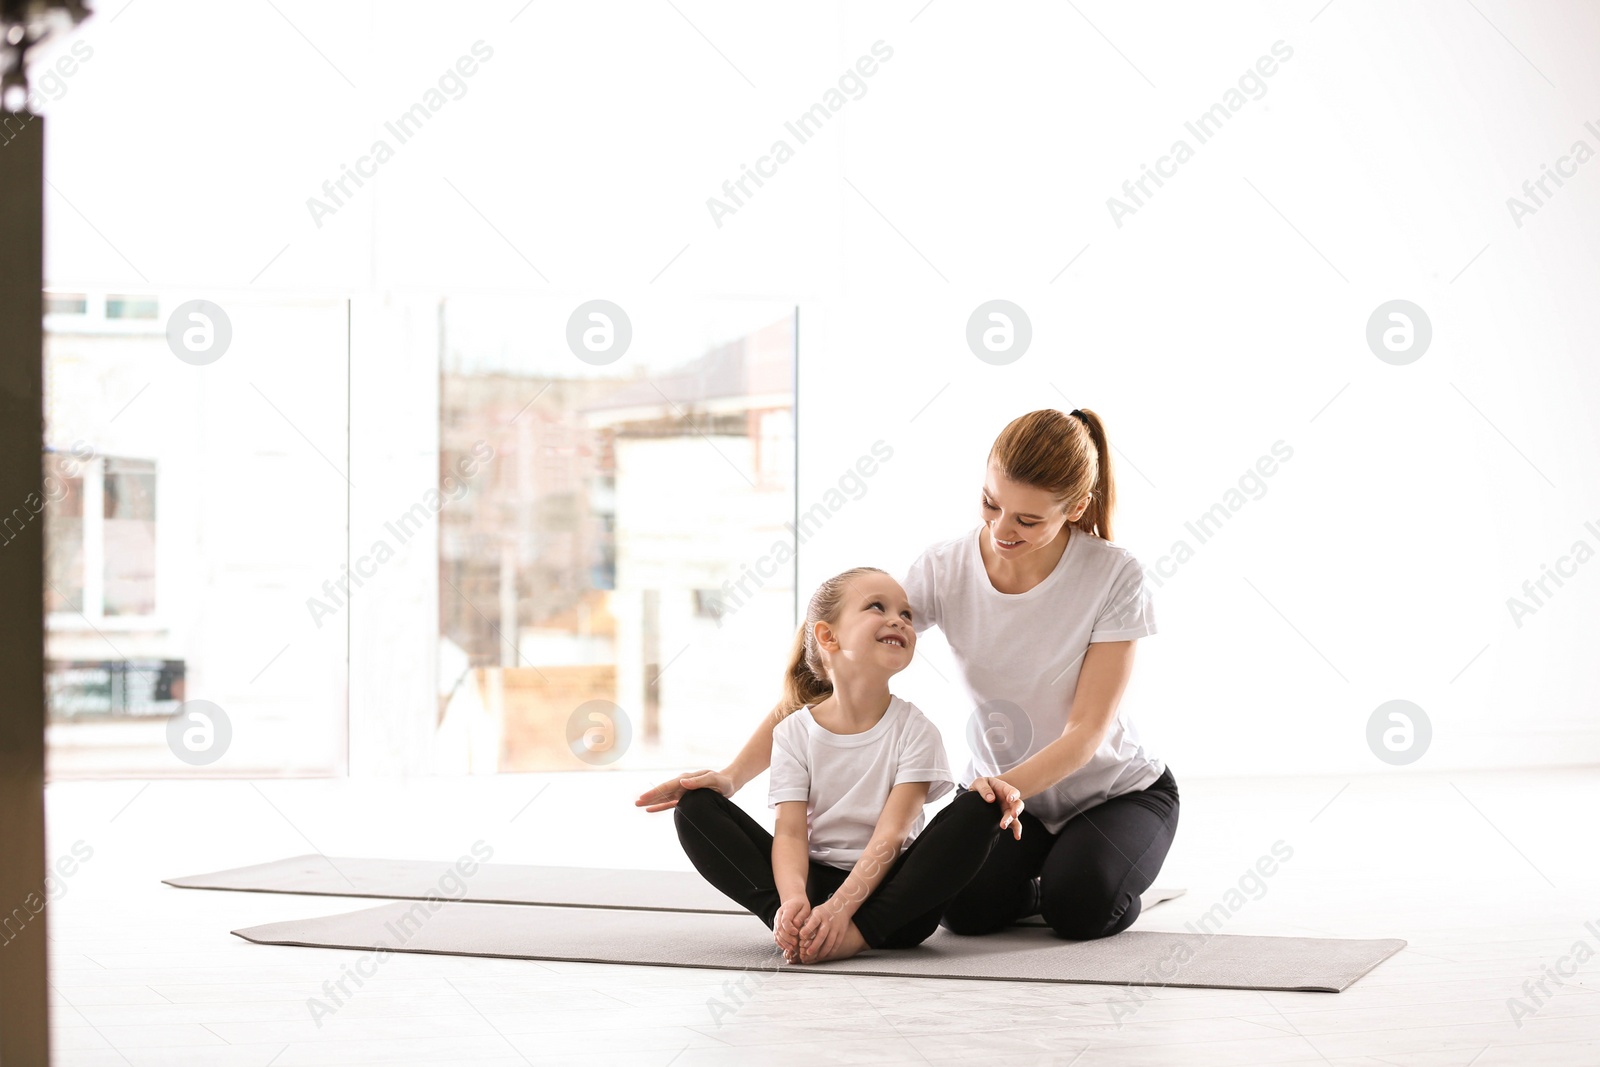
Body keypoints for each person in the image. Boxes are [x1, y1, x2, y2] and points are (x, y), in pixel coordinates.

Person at [640, 407, 1178, 947]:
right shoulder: (946, 567)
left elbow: (1085, 733)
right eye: (991, 504)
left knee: (1081, 905)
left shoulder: (1114, 574)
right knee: (963, 911)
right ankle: (1037, 888)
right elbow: (842, 664)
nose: (1000, 529)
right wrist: (734, 774)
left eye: (1028, 520)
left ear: (1076, 507)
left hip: (1114, 793)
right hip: (1015, 804)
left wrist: (1005, 790)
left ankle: (1109, 880)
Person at [668, 566, 1022, 964]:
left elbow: (891, 835)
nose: (899, 620)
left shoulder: (917, 730)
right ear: (827, 636)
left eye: (906, 614)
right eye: (877, 607)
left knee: (981, 804)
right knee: (695, 808)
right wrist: (793, 899)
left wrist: (842, 912)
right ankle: (793, 926)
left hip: (892, 902)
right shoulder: (792, 733)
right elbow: (789, 834)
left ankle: (855, 936)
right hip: (816, 885)